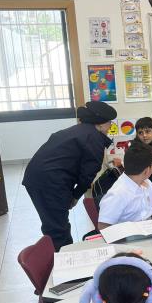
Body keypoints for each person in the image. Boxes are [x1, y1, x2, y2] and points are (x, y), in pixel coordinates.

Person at [22, 101, 117, 251]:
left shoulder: (80, 130)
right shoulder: (94, 138)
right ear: (99, 123)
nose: (110, 126)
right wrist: (75, 196)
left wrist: (72, 194)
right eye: (109, 122)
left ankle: (64, 254)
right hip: (50, 182)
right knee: (57, 228)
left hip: (39, 177)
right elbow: (88, 175)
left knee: (55, 223)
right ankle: (65, 260)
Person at [98, 141, 152, 228]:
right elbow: (103, 226)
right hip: (128, 235)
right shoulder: (118, 193)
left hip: (147, 228)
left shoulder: (146, 182)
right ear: (147, 170)